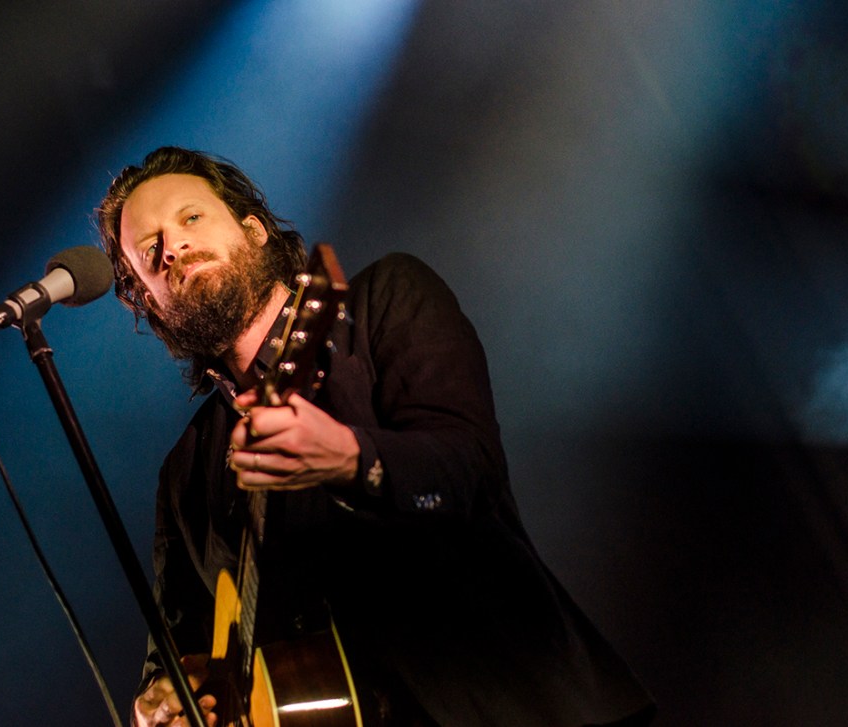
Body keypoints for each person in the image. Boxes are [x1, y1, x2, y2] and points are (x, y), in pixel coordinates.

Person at [96, 146, 655, 727]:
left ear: (254, 230)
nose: (173, 248)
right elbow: (172, 644)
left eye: (190, 218)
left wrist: (351, 459)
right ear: (149, 305)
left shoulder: (383, 301)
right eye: (149, 252)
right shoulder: (185, 472)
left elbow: (469, 471)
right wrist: (159, 702)